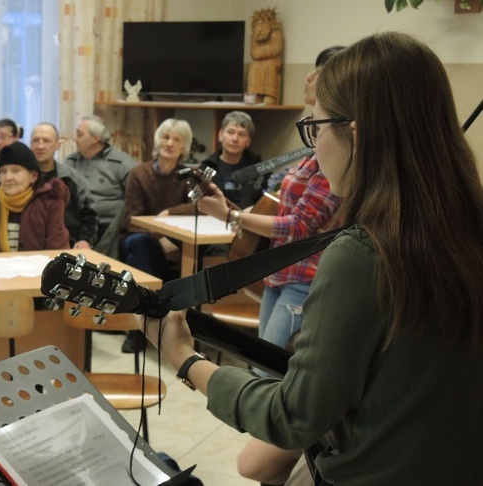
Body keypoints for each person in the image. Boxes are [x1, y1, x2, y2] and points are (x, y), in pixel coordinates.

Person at [139, 32, 483, 484]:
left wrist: (183, 357)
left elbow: (292, 416)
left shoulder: (364, 255)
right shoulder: (466, 229)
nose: (315, 145)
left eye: (315, 129)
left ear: (355, 134)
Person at [201, 48, 343, 355]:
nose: (307, 77)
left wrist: (231, 217)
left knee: (269, 372)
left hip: (305, 278)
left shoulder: (338, 152)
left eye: (317, 72)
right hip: (280, 271)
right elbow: (282, 202)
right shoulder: (314, 149)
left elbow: (299, 226)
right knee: (261, 364)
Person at [120, 118, 197, 354]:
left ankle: (182, 327)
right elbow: (131, 219)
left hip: (179, 245)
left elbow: (202, 205)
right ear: (157, 141)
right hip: (140, 240)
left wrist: (171, 212)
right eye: (165, 137)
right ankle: (141, 328)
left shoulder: (190, 175)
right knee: (141, 246)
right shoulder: (138, 173)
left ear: (184, 147)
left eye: (176, 139)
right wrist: (160, 237)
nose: (170, 143)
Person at [0, 141, 69, 253]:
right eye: (3, 171)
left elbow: (57, 246)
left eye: (15, 171)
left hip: (37, 268)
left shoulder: (49, 201)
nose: (8, 177)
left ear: (33, 176)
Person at [64, 115, 137, 244]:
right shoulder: (70, 162)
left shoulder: (121, 163)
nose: (75, 139)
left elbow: (136, 198)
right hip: (77, 226)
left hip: (110, 227)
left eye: (80, 135)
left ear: (95, 138)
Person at [30, 122, 98, 249]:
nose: (40, 146)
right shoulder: (20, 179)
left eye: (46, 141)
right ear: (30, 144)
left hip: (67, 245)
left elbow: (89, 214)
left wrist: (85, 240)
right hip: (28, 247)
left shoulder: (71, 178)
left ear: (57, 145)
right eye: (35, 141)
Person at [200, 111, 265, 209]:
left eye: (242, 134)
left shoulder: (260, 169)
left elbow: (266, 204)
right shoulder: (206, 168)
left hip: (249, 220)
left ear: (248, 141)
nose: (235, 139)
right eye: (230, 132)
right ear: (220, 135)